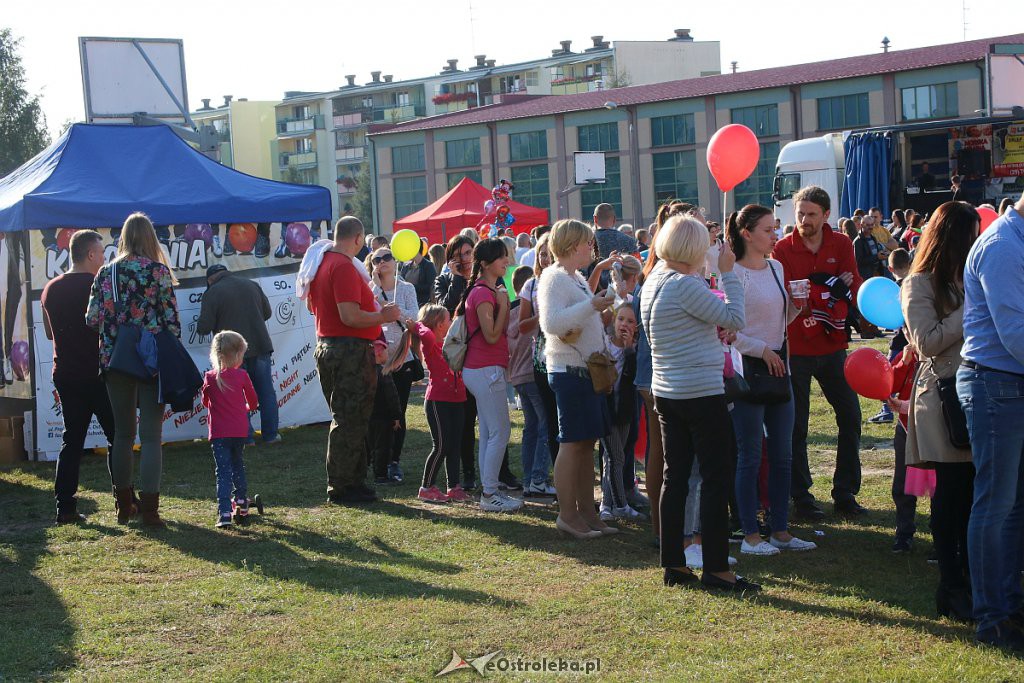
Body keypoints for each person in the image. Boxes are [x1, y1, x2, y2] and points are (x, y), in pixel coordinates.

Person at [641, 214, 755, 591]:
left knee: (675, 479)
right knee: (715, 478)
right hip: (699, 392)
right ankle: (718, 569)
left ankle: (673, 562)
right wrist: (729, 273)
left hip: (668, 390)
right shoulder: (684, 285)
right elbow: (736, 316)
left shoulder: (655, 279)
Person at [901, 202, 979, 624]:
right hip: (943, 399)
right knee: (950, 499)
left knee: (974, 497)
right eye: (971, 233)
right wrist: (971, 312)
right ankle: (950, 585)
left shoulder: (970, 277)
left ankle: (969, 578)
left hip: (979, 391)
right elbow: (926, 342)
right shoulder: (919, 284)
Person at [726, 205, 816, 556]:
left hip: (780, 371)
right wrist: (763, 350)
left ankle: (780, 529)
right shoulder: (731, 273)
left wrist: (797, 304)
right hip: (748, 371)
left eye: (775, 228)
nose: (775, 235)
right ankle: (750, 533)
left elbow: (782, 319)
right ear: (746, 233)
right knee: (749, 455)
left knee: (783, 455)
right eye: (767, 230)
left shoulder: (777, 267)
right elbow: (729, 330)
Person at [771, 185, 865, 520]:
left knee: (851, 416)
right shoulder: (782, 248)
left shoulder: (841, 243)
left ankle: (845, 492)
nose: (804, 220)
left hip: (833, 346)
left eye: (811, 214)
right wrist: (825, 284)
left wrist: (828, 285)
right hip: (795, 349)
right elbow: (785, 294)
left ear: (826, 214)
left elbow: (851, 282)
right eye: (800, 213)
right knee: (796, 426)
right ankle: (802, 496)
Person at [957, 191, 1024, 648]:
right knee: (996, 505)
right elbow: (1015, 330)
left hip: (1008, 381)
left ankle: (1010, 603)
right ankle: (992, 617)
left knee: (1013, 505)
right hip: (996, 383)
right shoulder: (1003, 246)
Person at [86, 212, 180, 527]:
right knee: (152, 437)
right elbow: (172, 324)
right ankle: (151, 512)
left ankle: (125, 507)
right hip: (151, 363)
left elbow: (91, 319)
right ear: (150, 238)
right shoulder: (158, 272)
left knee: (123, 435)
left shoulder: (105, 272)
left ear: (123, 237)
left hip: (115, 362)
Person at [307, 216, 401, 505]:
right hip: (348, 350)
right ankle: (342, 486)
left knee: (352, 419)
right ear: (359, 239)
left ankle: (353, 482)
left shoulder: (322, 263)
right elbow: (349, 315)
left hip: (332, 346)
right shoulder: (343, 267)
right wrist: (382, 317)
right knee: (350, 419)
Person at [538, 219, 616, 538]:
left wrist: (601, 304)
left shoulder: (576, 278)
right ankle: (568, 515)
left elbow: (585, 315)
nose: (591, 249)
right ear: (572, 246)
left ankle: (588, 512)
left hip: (585, 372)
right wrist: (591, 305)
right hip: (568, 371)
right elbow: (552, 323)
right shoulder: (555, 278)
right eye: (587, 243)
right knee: (571, 444)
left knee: (585, 443)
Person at [41, 230, 117, 525]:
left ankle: (65, 507)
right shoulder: (100, 285)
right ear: (89, 255)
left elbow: (49, 333)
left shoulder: (50, 288)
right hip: (98, 372)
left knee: (72, 440)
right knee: (117, 436)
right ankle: (124, 497)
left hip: (66, 373)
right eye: (101, 253)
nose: (103, 258)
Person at [457, 238, 520, 512]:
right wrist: (504, 303)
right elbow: (492, 335)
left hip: (484, 369)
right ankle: (490, 493)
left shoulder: (487, 290)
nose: (506, 262)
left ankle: (489, 490)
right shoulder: (484, 293)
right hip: (484, 370)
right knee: (500, 431)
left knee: (489, 431)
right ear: (485, 264)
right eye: (501, 258)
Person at [196, 264, 279, 444]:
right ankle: (271, 435)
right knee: (266, 392)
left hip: (231, 353)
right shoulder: (251, 285)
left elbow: (204, 327)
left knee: (237, 396)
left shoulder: (212, 293)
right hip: (260, 345)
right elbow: (268, 313)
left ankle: (246, 437)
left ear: (210, 280)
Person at [369, 246, 419, 483]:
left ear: (395, 260)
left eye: (386, 257)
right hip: (377, 360)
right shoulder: (370, 291)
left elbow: (414, 319)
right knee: (377, 414)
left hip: (403, 359)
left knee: (398, 413)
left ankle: (393, 462)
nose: (382, 262)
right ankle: (376, 460)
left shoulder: (407, 288)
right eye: (377, 258)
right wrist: (376, 293)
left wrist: (393, 313)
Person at [414, 304, 471, 503]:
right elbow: (426, 334)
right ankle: (426, 487)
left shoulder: (451, 343)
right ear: (439, 325)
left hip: (458, 399)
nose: (451, 323)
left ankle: (453, 486)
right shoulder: (430, 344)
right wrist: (416, 326)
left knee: (455, 445)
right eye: (448, 320)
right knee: (441, 445)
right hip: (438, 401)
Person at [201, 331, 258, 528]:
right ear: (236, 355)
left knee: (223, 472)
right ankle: (241, 500)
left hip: (219, 433)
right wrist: (247, 408)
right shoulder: (242, 375)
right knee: (238, 465)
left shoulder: (210, 378)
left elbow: (205, 402)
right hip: (239, 431)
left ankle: (224, 512)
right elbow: (253, 401)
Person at [507, 265, 554, 497]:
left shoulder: (508, 313)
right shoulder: (532, 314)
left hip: (517, 375)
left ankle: (528, 479)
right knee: (545, 426)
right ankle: (538, 477)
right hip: (533, 373)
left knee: (531, 428)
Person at [517, 233, 560, 473]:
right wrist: (543, 316)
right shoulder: (530, 285)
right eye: (542, 254)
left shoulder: (567, 279)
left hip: (567, 356)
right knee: (550, 421)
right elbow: (522, 326)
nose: (546, 259)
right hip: (542, 359)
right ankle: (551, 476)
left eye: (550, 254)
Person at [598, 303, 644, 521]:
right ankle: (620, 505)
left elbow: (631, 379)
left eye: (630, 321)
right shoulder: (604, 344)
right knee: (614, 456)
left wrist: (629, 350)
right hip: (605, 410)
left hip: (624, 411)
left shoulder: (633, 350)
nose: (624, 325)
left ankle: (606, 504)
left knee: (615, 458)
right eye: (621, 319)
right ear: (614, 320)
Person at [366, 339, 403, 486]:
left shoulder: (363, 373)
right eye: (386, 349)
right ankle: (380, 475)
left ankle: (364, 472)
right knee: (383, 447)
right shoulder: (384, 373)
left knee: (369, 445)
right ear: (380, 353)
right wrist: (397, 416)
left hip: (367, 416)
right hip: (383, 417)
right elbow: (392, 396)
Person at [400, 242, 438, 308]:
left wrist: (411, 286)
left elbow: (431, 287)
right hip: (407, 303)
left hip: (422, 304)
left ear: (416, 249)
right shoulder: (406, 266)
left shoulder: (428, 265)